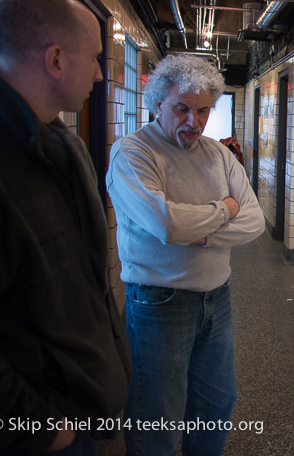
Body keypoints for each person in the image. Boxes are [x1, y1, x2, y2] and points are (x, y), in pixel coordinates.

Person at [0, 0, 131, 455]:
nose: (102, 75)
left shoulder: (64, 143)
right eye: (95, 58)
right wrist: (41, 427)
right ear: (56, 60)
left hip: (79, 408)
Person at [106, 55, 265, 456]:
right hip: (159, 302)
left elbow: (256, 222)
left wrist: (203, 237)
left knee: (215, 405)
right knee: (157, 417)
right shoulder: (133, 153)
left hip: (217, 297)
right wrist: (225, 209)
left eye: (202, 111)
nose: (192, 121)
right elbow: (167, 225)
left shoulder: (219, 155)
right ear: (157, 104)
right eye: (181, 108)